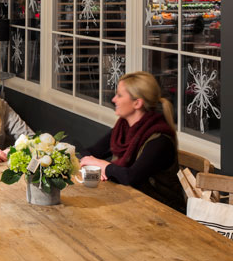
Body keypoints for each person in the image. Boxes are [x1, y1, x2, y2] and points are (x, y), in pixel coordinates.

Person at [79, 72, 184, 210]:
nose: (114, 99)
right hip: (131, 203)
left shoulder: (159, 140)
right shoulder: (123, 128)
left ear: (137, 103)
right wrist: (105, 169)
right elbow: (90, 153)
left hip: (163, 213)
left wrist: (102, 165)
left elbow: (131, 177)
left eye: (120, 95)